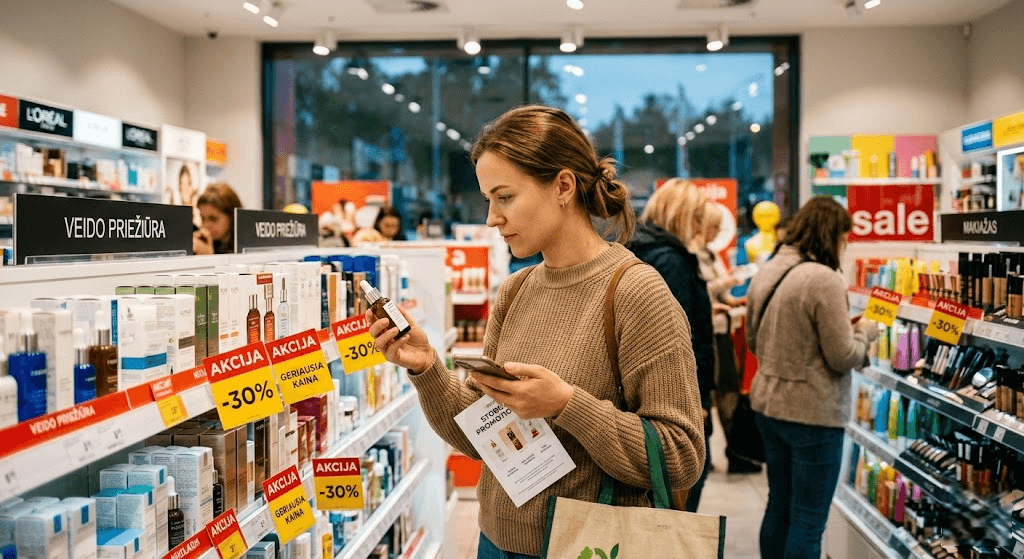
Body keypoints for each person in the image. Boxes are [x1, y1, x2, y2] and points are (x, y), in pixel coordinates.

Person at [366, 105, 705, 559]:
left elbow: (681, 456)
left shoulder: (636, 292)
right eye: (488, 200)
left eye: (505, 197)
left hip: (585, 546)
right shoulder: (516, 290)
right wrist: (427, 368)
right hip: (494, 542)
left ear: (563, 186)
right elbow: (483, 436)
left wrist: (567, 405)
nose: (491, 218)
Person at [746, 196, 878, 559]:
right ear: (831, 235)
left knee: (779, 505)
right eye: (843, 239)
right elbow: (843, 356)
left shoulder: (770, 268)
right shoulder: (823, 278)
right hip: (812, 413)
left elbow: (754, 340)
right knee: (807, 519)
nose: (844, 248)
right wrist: (865, 332)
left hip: (768, 406)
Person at [625, 179, 714, 512]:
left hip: (650, 402)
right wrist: (696, 401)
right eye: (698, 218)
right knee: (681, 502)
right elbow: (676, 341)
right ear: (684, 216)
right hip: (680, 402)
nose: (701, 228)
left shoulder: (639, 251)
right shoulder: (671, 261)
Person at [697, 203, 758, 474]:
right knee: (718, 394)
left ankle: (734, 451)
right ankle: (712, 454)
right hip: (708, 333)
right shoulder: (691, 256)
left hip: (721, 331)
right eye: (713, 227)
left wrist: (732, 300)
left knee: (727, 393)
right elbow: (702, 293)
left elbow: (715, 294)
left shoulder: (710, 254)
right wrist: (727, 284)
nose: (717, 233)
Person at [193, 183, 243, 255]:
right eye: (203, 218)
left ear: (231, 216)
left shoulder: (245, 246)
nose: (205, 225)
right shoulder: (204, 240)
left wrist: (208, 257)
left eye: (213, 219)